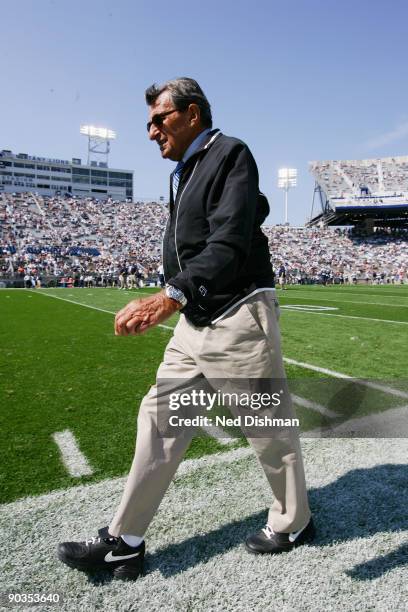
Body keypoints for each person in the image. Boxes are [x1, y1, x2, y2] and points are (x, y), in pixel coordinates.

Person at [57, 77, 314, 581]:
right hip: (196, 320)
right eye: (149, 122)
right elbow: (243, 212)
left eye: (160, 118)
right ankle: (125, 542)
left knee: (267, 429)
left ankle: (295, 520)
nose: (152, 130)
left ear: (193, 114)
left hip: (238, 315)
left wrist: (169, 294)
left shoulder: (229, 151)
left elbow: (230, 236)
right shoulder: (188, 169)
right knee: (158, 420)